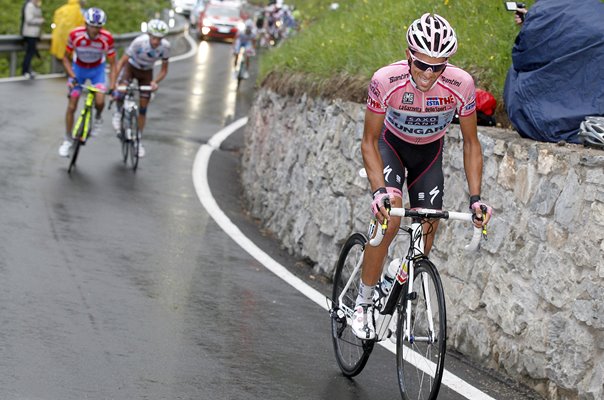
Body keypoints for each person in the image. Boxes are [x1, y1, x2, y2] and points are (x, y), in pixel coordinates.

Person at [352, 13, 492, 340]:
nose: (429, 74)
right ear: (408, 56)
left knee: (428, 226)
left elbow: (471, 144)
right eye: (421, 64)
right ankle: (363, 300)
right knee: (391, 216)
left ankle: (393, 278)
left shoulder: (462, 85)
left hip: (428, 155)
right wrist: (378, 192)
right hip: (391, 147)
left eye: (438, 66)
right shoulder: (385, 80)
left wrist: (476, 199)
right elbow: (368, 140)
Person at [503, 0, 604, 143]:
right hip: (597, 97)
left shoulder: (541, 11)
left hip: (556, 117)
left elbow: (524, 58)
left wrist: (531, 23)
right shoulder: (596, 7)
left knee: (516, 72)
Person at [58, 7, 117, 157]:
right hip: (79, 69)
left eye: (98, 27)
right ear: (86, 24)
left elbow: (113, 63)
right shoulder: (75, 35)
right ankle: (67, 139)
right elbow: (65, 58)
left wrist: (113, 84)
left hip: (97, 69)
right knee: (72, 105)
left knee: (99, 100)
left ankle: (97, 117)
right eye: (92, 26)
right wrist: (72, 76)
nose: (94, 30)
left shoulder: (107, 38)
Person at [111, 19, 171, 158]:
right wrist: (115, 83)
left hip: (147, 72)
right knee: (121, 91)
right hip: (131, 68)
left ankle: (138, 140)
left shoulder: (165, 47)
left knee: (143, 108)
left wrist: (155, 82)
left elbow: (164, 70)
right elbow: (121, 62)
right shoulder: (139, 42)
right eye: (154, 38)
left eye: (159, 39)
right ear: (149, 35)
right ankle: (118, 112)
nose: (156, 42)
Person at [50, 0, 86, 68]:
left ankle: (64, 72)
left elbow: (55, 23)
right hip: (73, 38)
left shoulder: (61, 9)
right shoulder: (79, 10)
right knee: (73, 56)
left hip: (60, 38)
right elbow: (83, 23)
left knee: (63, 55)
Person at [21, 0, 44, 79]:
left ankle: (29, 70)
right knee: (30, 53)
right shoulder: (30, 6)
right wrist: (40, 21)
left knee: (31, 52)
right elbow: (29, 19)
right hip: (29, 33)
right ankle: (25, 71)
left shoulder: (36, 6)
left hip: (34, 34)